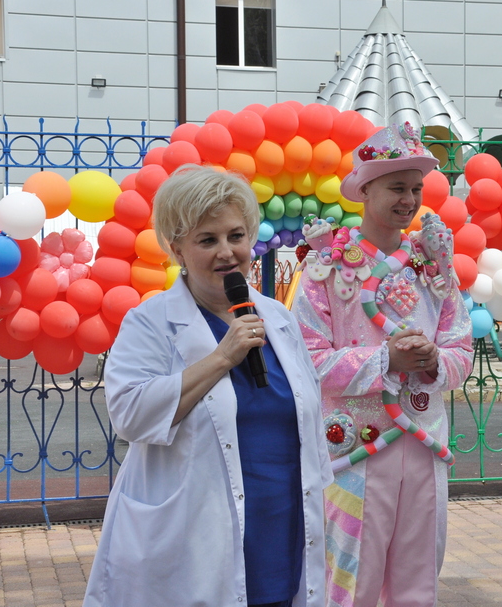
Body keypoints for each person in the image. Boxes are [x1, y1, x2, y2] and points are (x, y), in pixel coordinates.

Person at [83, 165, 332, 607]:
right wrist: (221, 358)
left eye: (236, 236)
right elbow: (130, 415)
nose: (227, 252)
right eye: (207, 240)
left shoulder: (277, 317)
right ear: (177, 248)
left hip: (282, 530)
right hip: (192, 540)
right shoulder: (150, 322)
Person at [292, 122, 474, 607]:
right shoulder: (325, 266)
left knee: (419, 576)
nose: (410, 200)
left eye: (416, 189)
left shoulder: (433, 265)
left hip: (423, 442)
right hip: (353, 449)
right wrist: (385, 359)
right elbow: (305, 361)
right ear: (365, 188)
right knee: (349, 577)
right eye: (397, 187)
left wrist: (436, 360)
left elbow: (462, 348)